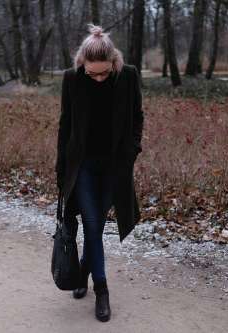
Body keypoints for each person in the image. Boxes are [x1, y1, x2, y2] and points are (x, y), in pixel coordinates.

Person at [55, 23, 144, 323]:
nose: (98, 77)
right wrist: (61, 170)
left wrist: (132, 151)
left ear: (114, 62)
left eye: (104, 72)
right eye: (93, 73)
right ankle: (102, 289)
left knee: (96, 227)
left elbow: (137, 117)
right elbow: (65, 126)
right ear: (82, 63)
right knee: (92, 225)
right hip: (82, 167)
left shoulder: (128, 75)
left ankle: (83, 269)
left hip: (114, 168)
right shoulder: (72, 79)